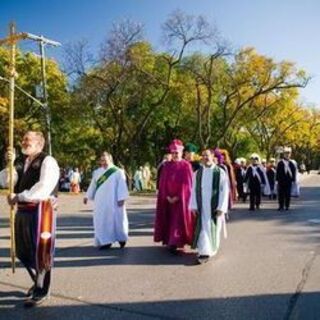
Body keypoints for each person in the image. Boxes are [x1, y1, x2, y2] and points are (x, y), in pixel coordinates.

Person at [7, 131, 59, 307]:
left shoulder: (47, 161)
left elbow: (43, 187)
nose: (24, 142)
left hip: (40, 212)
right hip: (22, 212)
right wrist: (10, 162)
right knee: (23, 252)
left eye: (28, 140)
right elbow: (5, 180)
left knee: (40, 252)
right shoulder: (23, 162)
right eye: (23, 140)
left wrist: (19, 197)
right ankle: (37, 281)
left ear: (40, 144)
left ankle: (42, 290)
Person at [154, 139, 194, 254]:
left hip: (181, 199)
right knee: (170, 220)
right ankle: (170, 241)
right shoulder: (166, 166)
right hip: (168, 199)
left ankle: (178, 242)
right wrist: (166, 196)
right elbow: (163, 183)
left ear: (181, 153)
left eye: (177, 153)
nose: (175, 155)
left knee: (179, 221)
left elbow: (188, 184)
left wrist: (178, 196)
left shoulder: (186, 166)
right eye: (173, 153)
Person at [190, 149, 229, 264]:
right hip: (202, 206)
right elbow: (193, 190)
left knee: (212, 228)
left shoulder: (219, 172)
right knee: (202, 228)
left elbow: (224, 190)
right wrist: (194, 206)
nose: (205, 158)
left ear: (212, 156)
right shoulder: (197, 173)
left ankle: (210, 250)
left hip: (214, 206)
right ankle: (204, 251)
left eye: (207, 155)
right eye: (203, 156)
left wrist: (221, 208)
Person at [84, 151, 129, 249]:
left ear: (110, 159)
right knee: (102, 220)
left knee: (117, 220)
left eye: (105, 160)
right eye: (102, 160)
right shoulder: (97, 172)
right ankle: (105, 241)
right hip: (100, 202)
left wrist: (122, 198)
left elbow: (122, 186)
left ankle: (121, 239)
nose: (103, 162)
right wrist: (87, 196)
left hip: (114, 201)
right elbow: (93, 185)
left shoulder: (117, 171)